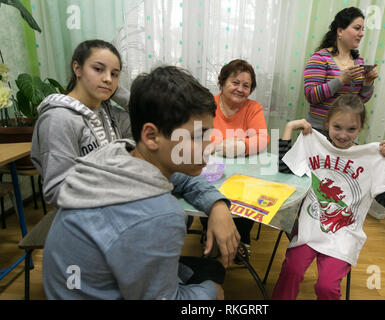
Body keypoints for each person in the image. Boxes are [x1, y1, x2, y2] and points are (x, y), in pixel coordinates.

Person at [31, 40, 240, 266]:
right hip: (93, 229)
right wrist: (141, 204)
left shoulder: (110, 113)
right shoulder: (58, 119)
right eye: (98, 69)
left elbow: (156, 125)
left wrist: (217, 204)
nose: (108, 79)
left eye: (115, 74)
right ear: (77, 68)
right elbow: (56, 192)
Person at [43, 65, 228, 300]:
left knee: (210, 269)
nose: (209, 146)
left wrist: (218, 205)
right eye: (197, 136)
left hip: (73, 287)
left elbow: (181, 179)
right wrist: (213, 293)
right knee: (215, 285)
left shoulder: (115, 154)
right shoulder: (161, 214)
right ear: (151, 136)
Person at [272, 94, 385, 300]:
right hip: (309, 229)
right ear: (327, 123)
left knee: (327, 287)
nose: (343, 135)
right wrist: (289, 129)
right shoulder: (315, 144)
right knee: (292, 271)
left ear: (360, 129)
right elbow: (283, 169)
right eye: (337, 127)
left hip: (343, 236)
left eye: (351, 129)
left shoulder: (369, 158)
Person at [202, 59, 270, 262]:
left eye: (246, 85)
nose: (240, 89)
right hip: (211, 170)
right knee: (208, 194)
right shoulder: (207, 104)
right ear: (222, 82)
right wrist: (216, 145)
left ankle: (242, 237)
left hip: (243, 172)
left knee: (249, 193)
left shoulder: (253, 107)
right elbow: (196, 135)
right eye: (235, 82)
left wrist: (242, 147)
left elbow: (263, 138)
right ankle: (210, 232)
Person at [304, 7, 379, 133]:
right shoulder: (320, 58)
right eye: (357, 28)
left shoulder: (359, 62)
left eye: (362, 29)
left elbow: (359, 103)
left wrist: (367, 84)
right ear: (340, 31)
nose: (361, 33)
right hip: (318, 130)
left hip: (346, 133)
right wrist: (342, 80)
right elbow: (311, 95)